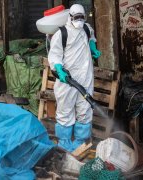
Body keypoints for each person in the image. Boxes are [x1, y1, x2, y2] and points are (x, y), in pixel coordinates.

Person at [47, 4, 101, 152]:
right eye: (76, 17)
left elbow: (91, 38)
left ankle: (80, 143)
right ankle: (64, 144)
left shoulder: (86, 28)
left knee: (85, 110)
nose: (79, 20)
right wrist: (59, 69)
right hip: (68, 81)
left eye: (82, 17)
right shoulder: (61, 33)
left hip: (86, 77)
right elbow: (54, 55)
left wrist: (93, 48)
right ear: (70, 17)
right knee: (65, 111)